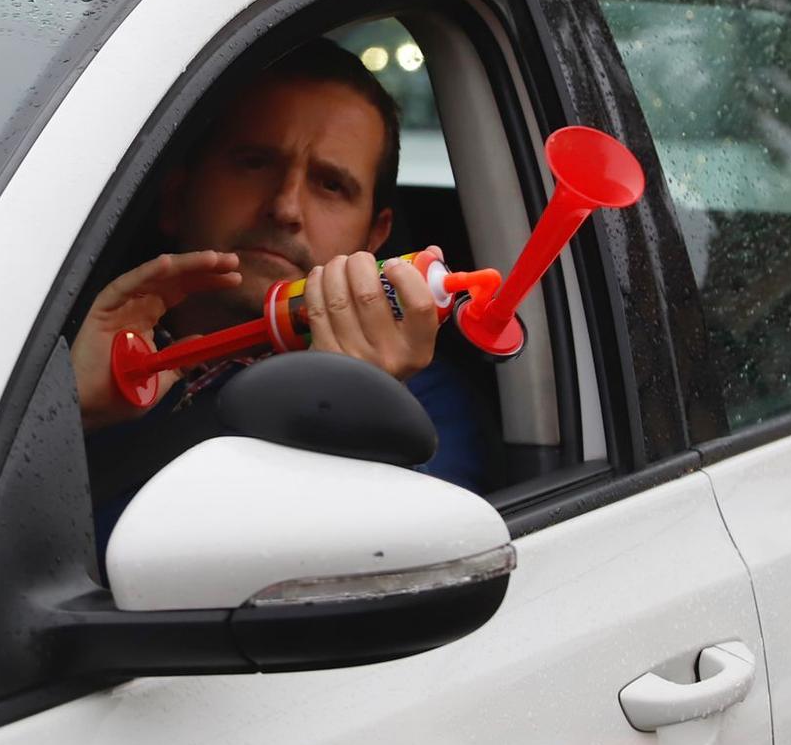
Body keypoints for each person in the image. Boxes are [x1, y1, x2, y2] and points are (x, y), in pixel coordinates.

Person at [73, 39, 491, 532]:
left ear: (373, 239)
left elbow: (393, 570)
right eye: (254, 162)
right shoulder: (56, 332)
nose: (286, 208)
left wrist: (360, 420)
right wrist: (72, 414)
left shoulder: (422, 409)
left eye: (331, 185)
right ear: (176, 195)